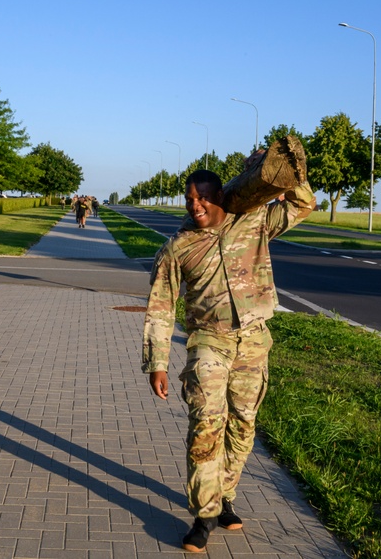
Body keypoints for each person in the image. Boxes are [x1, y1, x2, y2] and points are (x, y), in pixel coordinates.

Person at [142, 163, 315, 553]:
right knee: (206, 424)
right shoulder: (178, 247)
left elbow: (303, 204)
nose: (195, 205)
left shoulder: (253, 222)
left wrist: (284, 171)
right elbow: (160, 307)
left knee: (243, 426)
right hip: (209, 343)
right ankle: (204, 515)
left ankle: (224, 496)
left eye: (202, 197)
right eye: (190, 199)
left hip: (254, 342)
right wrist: (157, 362)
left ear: (220, 196)